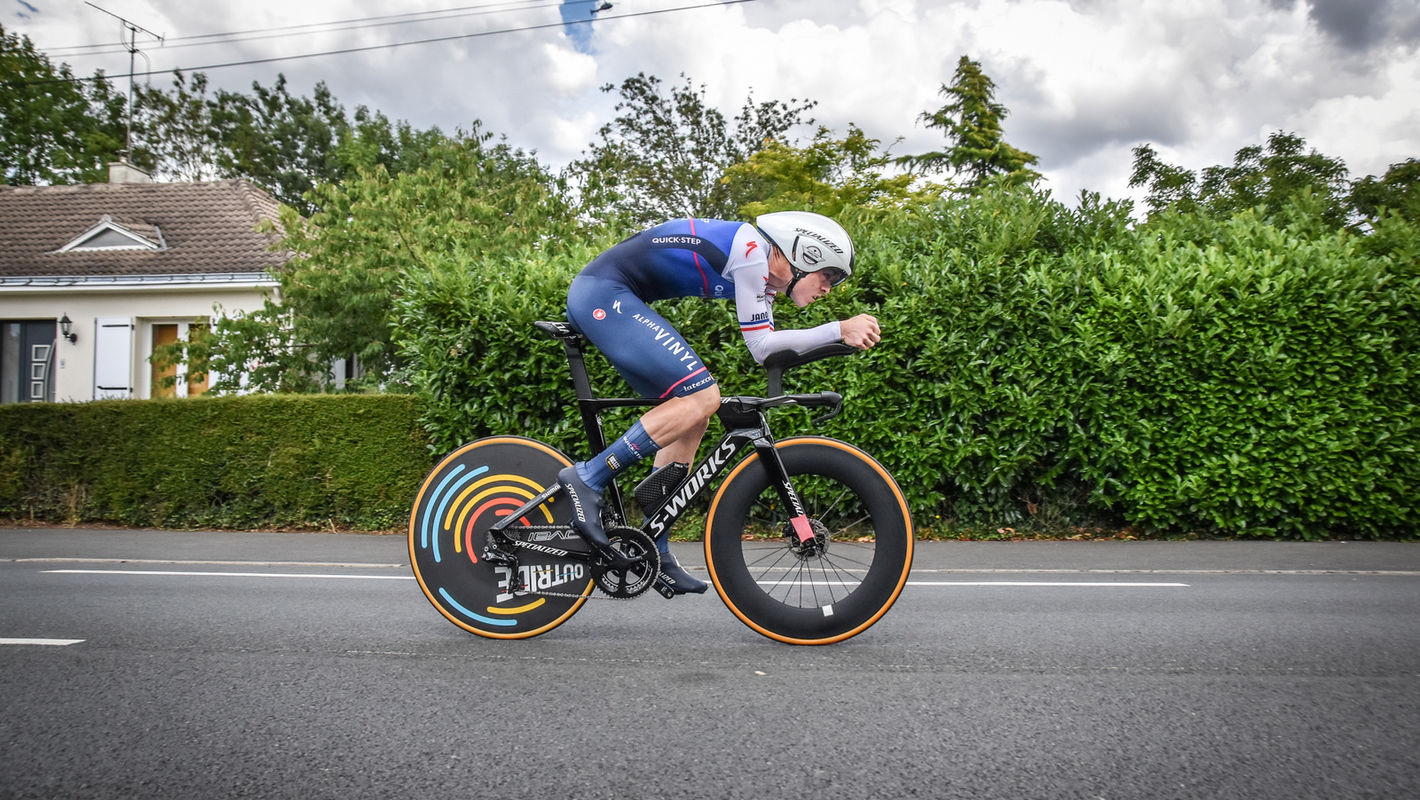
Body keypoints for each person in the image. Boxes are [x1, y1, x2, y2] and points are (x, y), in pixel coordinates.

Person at [558, 211, 881, 594]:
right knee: (703, 395)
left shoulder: (762, 275)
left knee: (694, 414)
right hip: (602, 292)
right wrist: (839, 329)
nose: (828, 288)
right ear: (803, 256)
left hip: (616, 294)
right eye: (827, 276)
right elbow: (761, 348)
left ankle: (655, 547)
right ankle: (589, 477)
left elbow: (770, 345)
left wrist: (834, 341)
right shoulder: (751, 253)